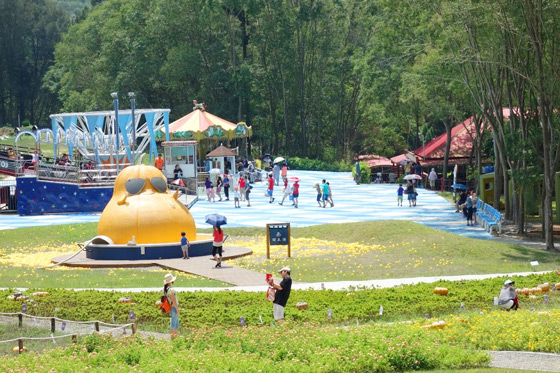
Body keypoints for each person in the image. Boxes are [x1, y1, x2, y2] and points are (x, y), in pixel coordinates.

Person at [163, 273, 180, 338]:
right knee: (174, 324)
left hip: (171, 308)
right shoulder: (171, 290)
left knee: (175, 322)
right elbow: (173, 301)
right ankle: (174, 338)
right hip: (174, 307)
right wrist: (177, 309)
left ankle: (175, 337)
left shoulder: (166, 289)